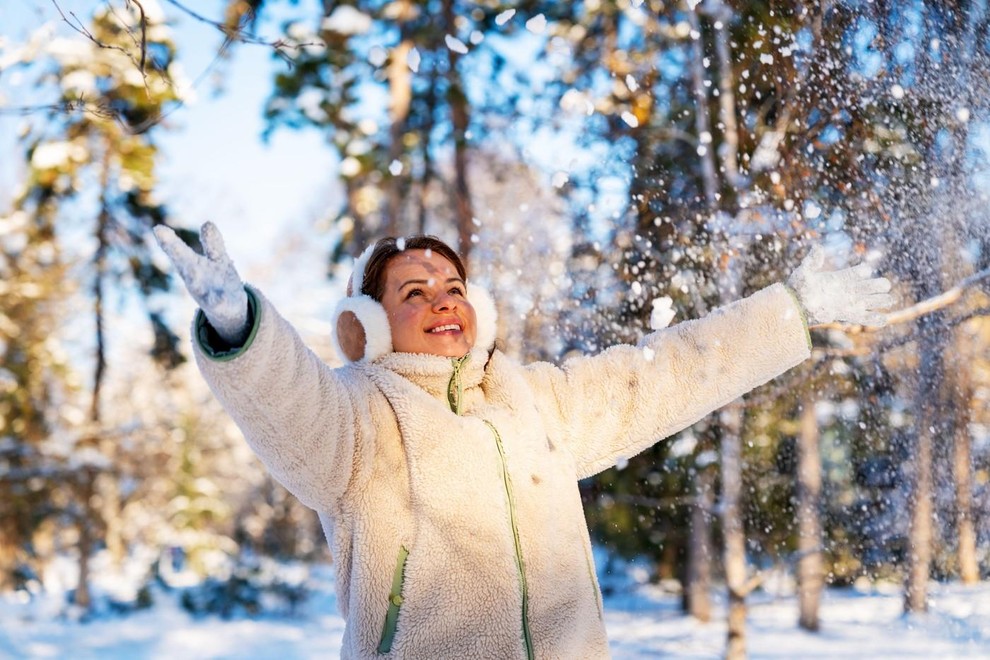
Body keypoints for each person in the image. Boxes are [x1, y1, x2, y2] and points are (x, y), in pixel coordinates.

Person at [153, 222, 892, 659]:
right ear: (366, 326)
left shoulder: (533, 401)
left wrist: (787, 313)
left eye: (453, 287)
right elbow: (289, 402)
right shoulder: (357, 423)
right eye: (414, 293)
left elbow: (665, 373)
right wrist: (240, 330)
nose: (442, 300)